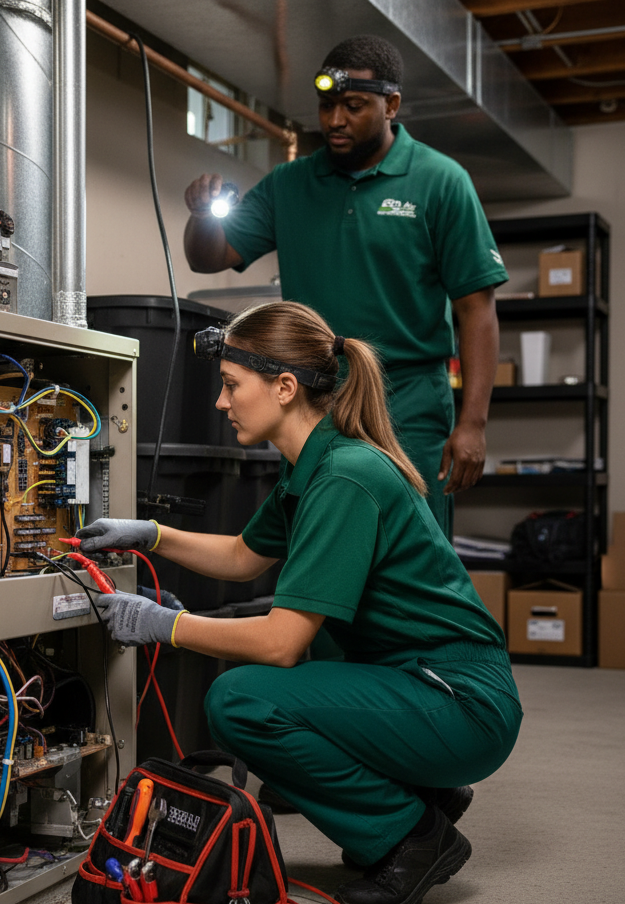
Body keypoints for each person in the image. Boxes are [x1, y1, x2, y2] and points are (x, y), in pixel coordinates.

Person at [76, 302, 522, 904]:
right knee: (274, 721)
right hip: (422, 685)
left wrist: (164, 626)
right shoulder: (312, 467)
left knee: (240, 703)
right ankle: (426, 793)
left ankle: (413, 836)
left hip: (461, 702)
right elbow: (241, 556)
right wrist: (148, 533)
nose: (221, 403)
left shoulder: (344, 477)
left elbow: (281, 643)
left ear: (285, 387)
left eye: (232, 386)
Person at [183, 35, 509, 538]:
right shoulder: (289, 184)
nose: (335, 120)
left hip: (410, 401)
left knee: (411, 542)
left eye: (353, 107)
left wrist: (474, 424)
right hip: (319, 397)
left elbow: (477, 310)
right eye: (327, 106)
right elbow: (209, 257)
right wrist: (203, 213)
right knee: (322, 536)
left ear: (391, 105)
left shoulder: (440, 181)